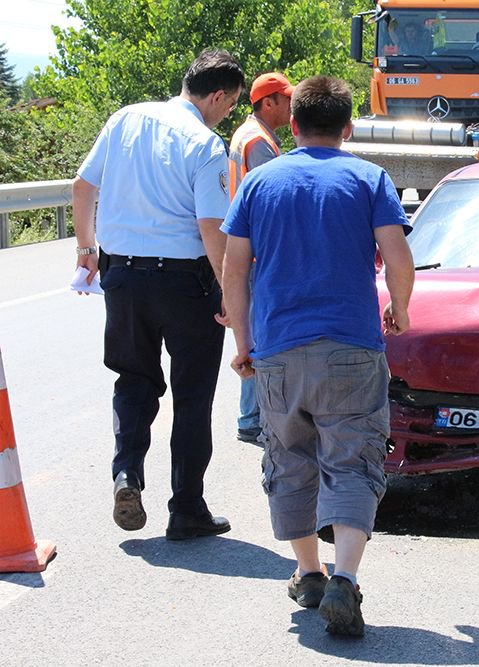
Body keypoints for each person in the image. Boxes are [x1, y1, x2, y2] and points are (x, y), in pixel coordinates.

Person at [221, 75, 415, 636]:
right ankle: (345, 580)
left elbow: (235, 269)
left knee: (289, 459)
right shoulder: (368, 178)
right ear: (348, 128)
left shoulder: (260, 184)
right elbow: (397, 257)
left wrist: (243, 343)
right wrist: (399, 308)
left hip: (279, 349)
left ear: (295, 125)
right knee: (353, 459)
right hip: (352, 346)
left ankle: (308, 572)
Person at [71, 48, 244, 540]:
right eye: (229, 104)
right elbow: (212, 228)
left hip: (121, 276)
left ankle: (127, 472)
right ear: (216, 96)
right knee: (192, 396)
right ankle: (186, 507)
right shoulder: (205, 144)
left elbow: (83, 188)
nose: (226, 113)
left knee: (133, 379)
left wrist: (87, 248)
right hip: (186, 283)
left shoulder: (125, 119)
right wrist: (230, 292)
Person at [227, 71, 295, 445]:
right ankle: (252, 419)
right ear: (268, 102)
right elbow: (278, 196)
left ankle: (251, 416)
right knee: (260, 337)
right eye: (286, 100)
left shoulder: (246, 133)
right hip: (258, 251)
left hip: (247, 247)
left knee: (253, 334)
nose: (290, 108)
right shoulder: (259, 142)